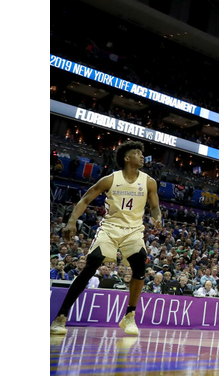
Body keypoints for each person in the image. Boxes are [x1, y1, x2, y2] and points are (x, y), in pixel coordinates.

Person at [50, 140, 161, 336]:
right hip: (110, 228)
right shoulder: (110, 179)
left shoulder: (149, 182)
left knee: (139, 266)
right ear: (127, 158)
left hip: (134, 230)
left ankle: (129, 316)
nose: (142, 156)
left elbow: (154, 206)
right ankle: (61, 316)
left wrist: (157, 217)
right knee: (90, 266)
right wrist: (71, 221)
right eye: (137, 153)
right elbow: (85, 199)